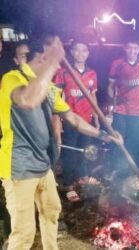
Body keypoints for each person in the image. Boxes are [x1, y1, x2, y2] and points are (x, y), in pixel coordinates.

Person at [0, 35, 123, 250]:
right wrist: (53, 61)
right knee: (24, 231)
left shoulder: (47, 88)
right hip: (19, 167)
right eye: (49, 61)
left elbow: (74, 118)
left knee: (51, 213)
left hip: (43, 165)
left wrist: (104, 135)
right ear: (40, 59)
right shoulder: (12, 79)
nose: (54, 68)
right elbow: (28, 100)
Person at [53, 39, 100, 201]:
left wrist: (97, 117)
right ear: (71, 52)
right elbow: (57, 97)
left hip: (86, 120)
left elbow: (92, 95)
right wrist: (58, 121)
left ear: (88, 53)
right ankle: (67, 184)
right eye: (77, 50)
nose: (81, 54)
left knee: (85, 150)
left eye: (84, 50)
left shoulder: (92, 73)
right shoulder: (63, 72)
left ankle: (83, 176)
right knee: (70, 153)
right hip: (71, 120)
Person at [107, 38, 139, 173]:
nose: (132, 51)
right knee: (119, 140)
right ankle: (116, 169)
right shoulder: (117, 63)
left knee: (137, 140)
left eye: (135, 48)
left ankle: (134, 169)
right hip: (120, 110)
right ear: (125, 48)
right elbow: (111, 86)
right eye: (129, 48)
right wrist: (111, 107)